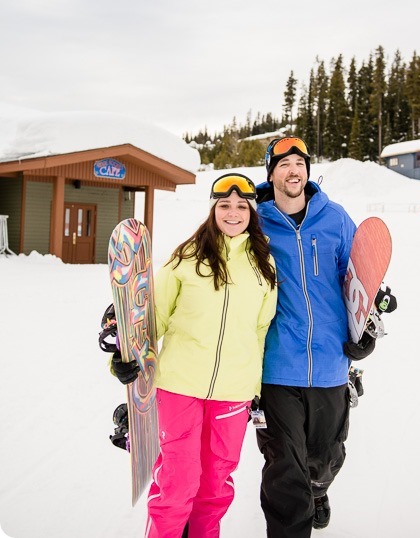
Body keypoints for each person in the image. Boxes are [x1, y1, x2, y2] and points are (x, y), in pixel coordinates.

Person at [110, 172, 277, 538]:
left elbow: (261, 331)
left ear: (251, 210)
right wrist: (127, 355)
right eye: (224, 206)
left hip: (233, 392)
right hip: (179, 385)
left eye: (240, 206)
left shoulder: (265, 265)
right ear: (213, 210)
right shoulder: (187, 256)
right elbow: (153, 317)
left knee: (216, 486)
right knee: (178, 482)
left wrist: (257, 389)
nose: (232, 213)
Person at [255, 136, 395, 538]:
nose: (293, 170)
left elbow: (360, 279)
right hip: (278, 367)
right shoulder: (257, 223)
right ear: (271, 173)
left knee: (326, 457)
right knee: (283, 467)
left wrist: (364, 330)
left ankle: (318, 490)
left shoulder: (333, 218)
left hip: (331, 364)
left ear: (307, 171)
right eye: (283, 164)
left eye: (299, 163)